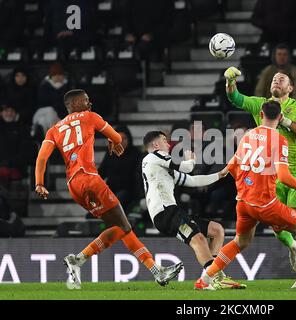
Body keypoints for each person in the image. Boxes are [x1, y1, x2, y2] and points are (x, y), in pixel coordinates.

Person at [34, 89, 183, 289]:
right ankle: (82, 259)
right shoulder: (90, 116)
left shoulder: (53, 129)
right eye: (86, 100)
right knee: (124, 226)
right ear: (76, 103)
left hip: (74, 187)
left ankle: (154, 270)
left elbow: (42, 158)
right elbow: (116, 136)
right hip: (90, 178)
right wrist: (114, 141)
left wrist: (39, 183)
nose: (90, 103)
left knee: (120, 228)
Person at [195, 101, 296, 290]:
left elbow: (232, 167)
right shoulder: (279, 140)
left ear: (260, 114)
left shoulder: (247, 136)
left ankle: (205, 280)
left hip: (243, 202)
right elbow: (284, 176)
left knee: (241, 241)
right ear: (280, 117)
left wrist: (243, 184)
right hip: (265, 204)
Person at [224, 66, 296, 288]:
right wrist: (230, 81)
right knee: (278, 227)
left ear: (290, 88)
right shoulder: (261, 105)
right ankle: (293, 247)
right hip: (272, 175)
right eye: (274, 79)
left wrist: (285, 121)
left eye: (282, 79)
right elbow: (235, 98)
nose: (277, 81)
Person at [142, 131, 243, 289]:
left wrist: (220, 175)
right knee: (199, 239)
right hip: (165, 212)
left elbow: (192, 180)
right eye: (164, 141)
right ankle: (214, 278)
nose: (168, 145)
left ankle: (211, 276)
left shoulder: (160, 166)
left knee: (216, 230)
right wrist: (191, 159)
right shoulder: (154, 156)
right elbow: (187, 168)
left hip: (169, 211)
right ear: (155, 145)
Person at [98, 124, 142, 211]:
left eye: (124, 138)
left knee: (116, 201)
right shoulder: (111, 153)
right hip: (111, 190)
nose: (121, 141)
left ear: (129, 139)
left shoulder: (135, 154)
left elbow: (138, 176)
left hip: (129, 191)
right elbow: (102, 172)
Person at [0, 104, 36, 187]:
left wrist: (7, 163)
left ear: (16, 113)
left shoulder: (23, 130)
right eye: (6, 111)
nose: (9, 113)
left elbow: (26, 154)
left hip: (16, 168)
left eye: (11, 111)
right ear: (1, 113)